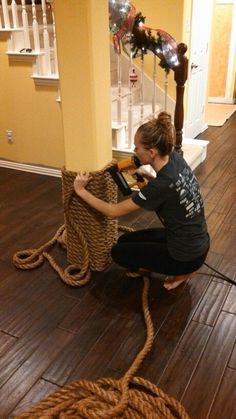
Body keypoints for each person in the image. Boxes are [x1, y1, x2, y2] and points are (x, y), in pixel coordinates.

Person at [74, 112, 210, 290]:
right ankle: (166, 264)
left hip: (184, 257)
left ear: (151, 152)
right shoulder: (175, 158)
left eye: (137, 147)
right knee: (125, 240)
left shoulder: (162, 184)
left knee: (118, 253)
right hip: (196, 243)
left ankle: (184, 273)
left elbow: (113, 211)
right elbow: (172, 189)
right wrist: (146, 175)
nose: (134, 151)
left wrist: (81, 191)